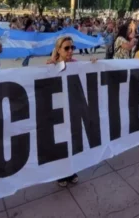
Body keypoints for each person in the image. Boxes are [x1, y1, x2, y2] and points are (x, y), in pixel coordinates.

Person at [47, 35, 96, 187]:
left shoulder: (76, 64)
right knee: (61, 142)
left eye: (72, 48)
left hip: (73, 108)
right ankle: (61, 173)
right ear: (58, 50)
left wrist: (93, 64)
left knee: (73, 140)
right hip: (58, 110)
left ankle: (70, 170)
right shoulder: (50, 66)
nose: (70, 51)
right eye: (66, 48)